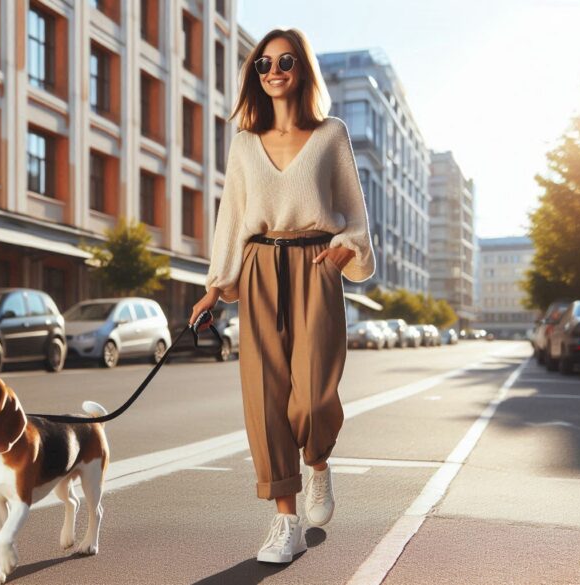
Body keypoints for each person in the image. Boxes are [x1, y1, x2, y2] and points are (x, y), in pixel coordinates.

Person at [190, 28, 375, 564]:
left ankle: (317, 463)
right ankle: (285, 520)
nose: (274, 70)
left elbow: (357, 214)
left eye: (285, 61)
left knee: (314, 393)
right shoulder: (245, 143)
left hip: (317, 263)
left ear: (302, 69)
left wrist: (347, 248)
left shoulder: (332, 134)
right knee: (265, 398)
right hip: (258, 268)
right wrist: (215, 286)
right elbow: (231, 219)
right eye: (264, 64)